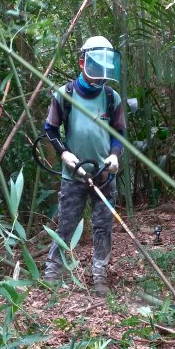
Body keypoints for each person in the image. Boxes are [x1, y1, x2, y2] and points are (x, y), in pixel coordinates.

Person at [43, 35, 126, 296]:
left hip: (104, 176)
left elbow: (118, 133)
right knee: (66, 225)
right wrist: (65, 155)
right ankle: (52, 273)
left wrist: (115, 155)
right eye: (96, 66)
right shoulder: (64, 95)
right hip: (73, 175)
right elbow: (51, 130)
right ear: (82, 63)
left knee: (103, 226)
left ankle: (100, 274)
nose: (101, 74)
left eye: (105, 68)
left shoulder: (112, 97)